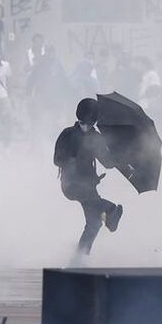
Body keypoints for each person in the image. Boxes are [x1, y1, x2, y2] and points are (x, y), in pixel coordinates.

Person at [53, 98, 123, 261]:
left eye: (90, 122)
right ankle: (111, 209)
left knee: (94, 223)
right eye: (85, 122)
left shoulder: (96, 138)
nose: (87, 126)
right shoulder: (67, 134)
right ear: (79, 118)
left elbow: (107, 162)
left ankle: (80, 256)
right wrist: (71, 159)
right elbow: (56, 159)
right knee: (100, 208)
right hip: (71, 184)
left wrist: (118, 154)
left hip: (89, 185)